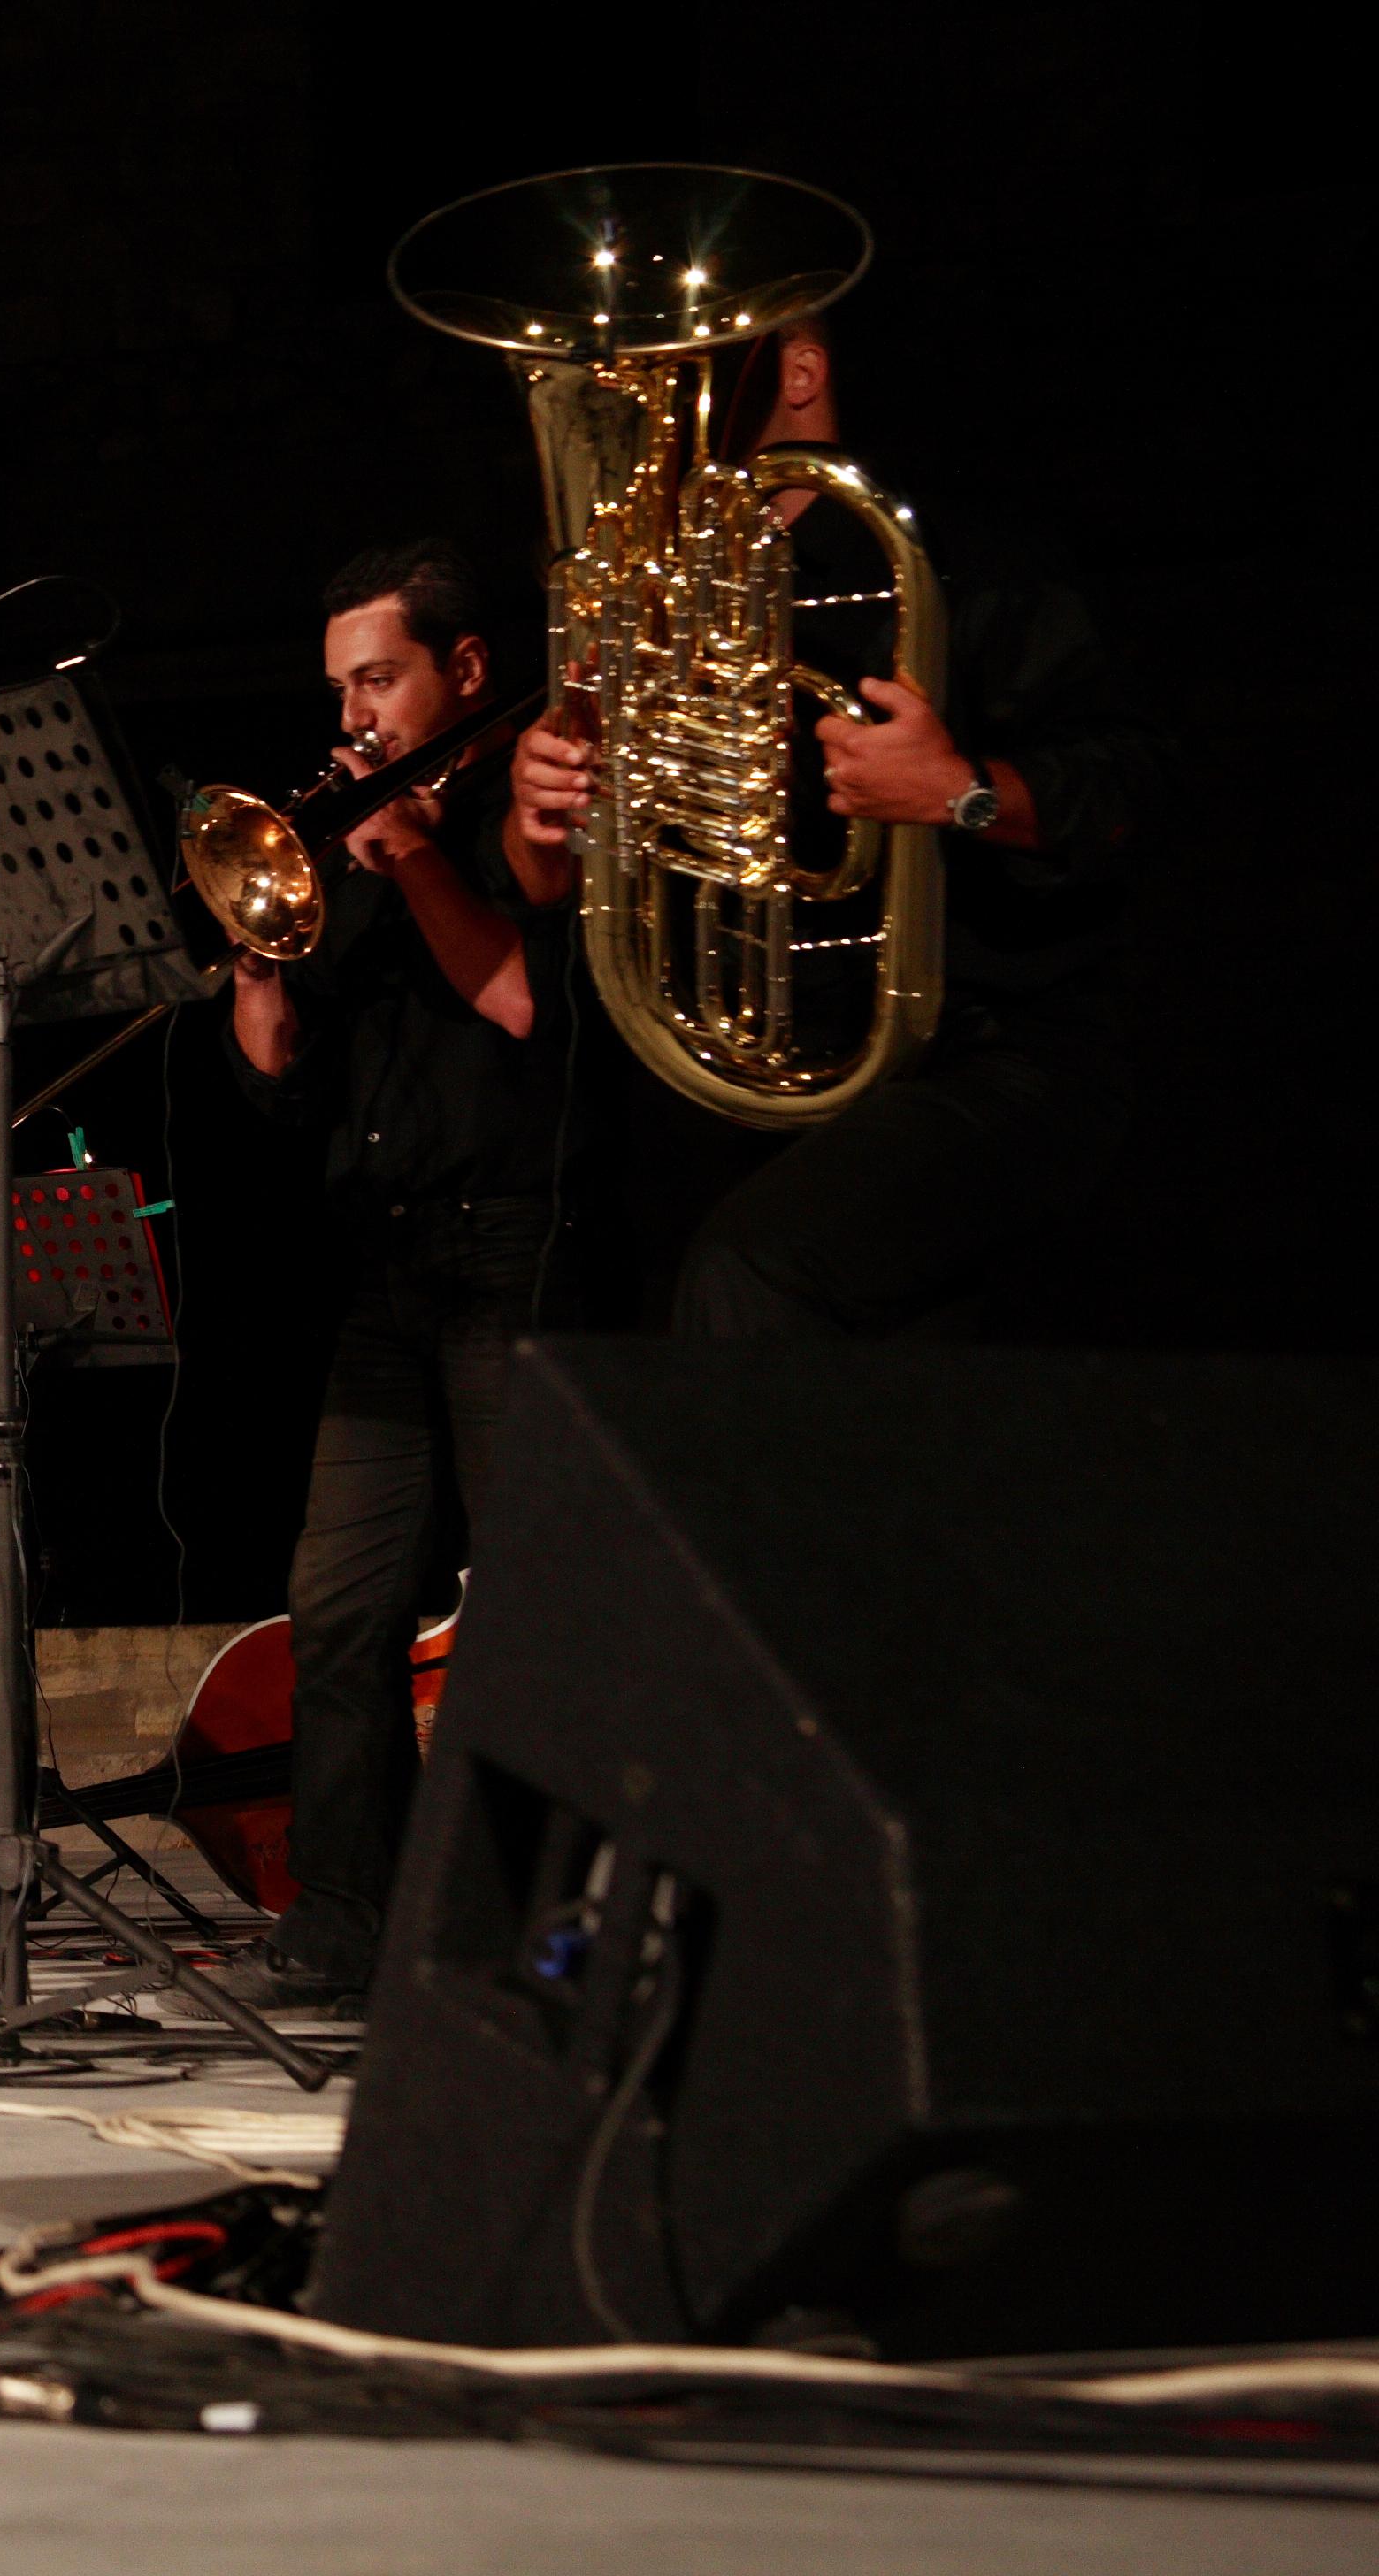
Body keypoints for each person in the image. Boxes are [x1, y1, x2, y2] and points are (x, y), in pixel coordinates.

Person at [504, 320, 1168, 1336]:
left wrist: (957, 789)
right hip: (753, 1071)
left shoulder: (958, 555)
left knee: (754, 1273)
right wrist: (543, 815)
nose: (633, 384)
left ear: (803, 368)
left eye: (680, 356)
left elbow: (1133, 791)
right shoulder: (651, 603)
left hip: (992, 1056)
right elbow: (555, 887)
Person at [215, 541, 596, 2017]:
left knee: (533, 1602)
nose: (353, 715)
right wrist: (258, 954)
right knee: (338, 1602)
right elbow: (282, 1085)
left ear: (466, 668)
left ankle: (545, 1927)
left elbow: (525, 1003)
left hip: (515, 1248)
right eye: (340, 689)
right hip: (388, 1266)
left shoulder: (527, 800)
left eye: (377, 678)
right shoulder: (366, 844)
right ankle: (341, 1919)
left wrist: (418, 855)